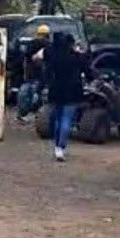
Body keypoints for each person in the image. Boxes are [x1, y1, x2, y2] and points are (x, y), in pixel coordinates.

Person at [44, 33, 85, 162]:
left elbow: (48, 72)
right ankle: (61, 146)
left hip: (57, 91)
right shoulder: (76, 57)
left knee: (58, 119)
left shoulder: (55, 57)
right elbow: (86, 68)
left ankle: (57, 147)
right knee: (67, 120)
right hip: (72, 91)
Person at [17, 25, 51, 122]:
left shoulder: (31, 44)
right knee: (38, 94)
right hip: (42, 74)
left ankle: (24, 113)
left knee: (27, 93)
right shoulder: (49, 46)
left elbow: (25, 58)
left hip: (30, 73)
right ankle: (37, 113)